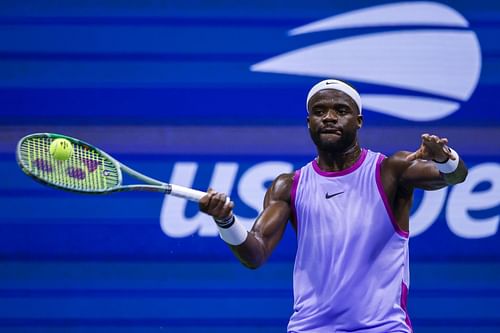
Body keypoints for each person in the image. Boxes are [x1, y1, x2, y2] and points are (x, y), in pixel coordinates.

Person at [199, 79, 468, 333]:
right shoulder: (287, 186)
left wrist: (445, 158)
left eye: (341, 110)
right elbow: (255, 254)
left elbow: (455, 176)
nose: (329, 117)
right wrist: (225, 221)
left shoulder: (390, 170)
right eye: (319, 111)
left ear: (359, 121)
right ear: (309, 122)